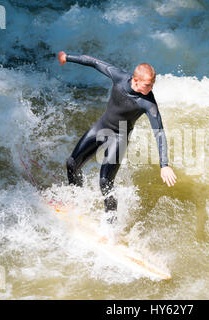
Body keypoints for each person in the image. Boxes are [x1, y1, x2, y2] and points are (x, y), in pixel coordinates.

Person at [58, 51, 177, 222]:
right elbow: (93, 61)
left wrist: (164, 165)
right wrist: (67, 57)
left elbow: (159, 131)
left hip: (119, 137)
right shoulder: (120, 77)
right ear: (135, 80)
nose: (151, 89)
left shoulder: (148, 103)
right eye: (147, 85)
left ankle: (111, 223)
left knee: (105, 181)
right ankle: (76, 201)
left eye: (152, 85)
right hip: (101, 127)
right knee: (71, 164)